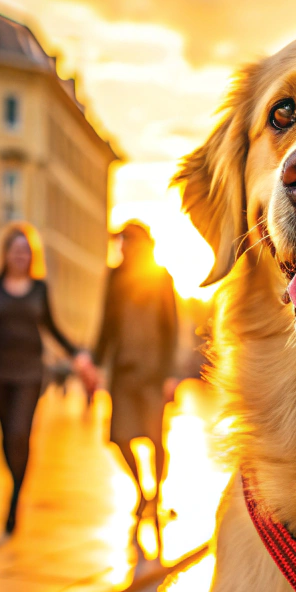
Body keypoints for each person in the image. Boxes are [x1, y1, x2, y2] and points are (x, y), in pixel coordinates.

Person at [0, 224, 96, 534]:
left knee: (19, 434)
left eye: (26, 251)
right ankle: (14, 482)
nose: (20, 256)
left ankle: (14, 500)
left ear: (32, 256)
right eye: (16, 250)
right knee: (4, 437)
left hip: (29, 372)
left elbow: (52, 327)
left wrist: (77, 355)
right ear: (6, 254)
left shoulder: (40, 289)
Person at [93, 222, 178, 522]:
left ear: (142, 243)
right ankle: (142, 490)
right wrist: (95, 360)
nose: (123, 246)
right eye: (120, 241)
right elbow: (107, 323)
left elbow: (171, 328)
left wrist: (169, 374)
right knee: (119, 437)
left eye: (127, 240)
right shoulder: (116, 276)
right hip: (124, 372)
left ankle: (156, 496)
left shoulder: (161, 276)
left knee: (155, 439)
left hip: (153, 374)